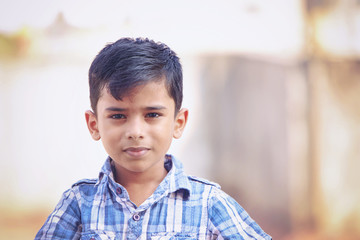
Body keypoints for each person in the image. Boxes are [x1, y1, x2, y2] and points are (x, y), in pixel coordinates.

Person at [35, 37, 272, 240]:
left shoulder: (208, 204)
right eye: (118, 115)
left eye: (152, 115)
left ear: (177, 123)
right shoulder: (79, 203)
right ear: (94, 124)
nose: (135, 131)